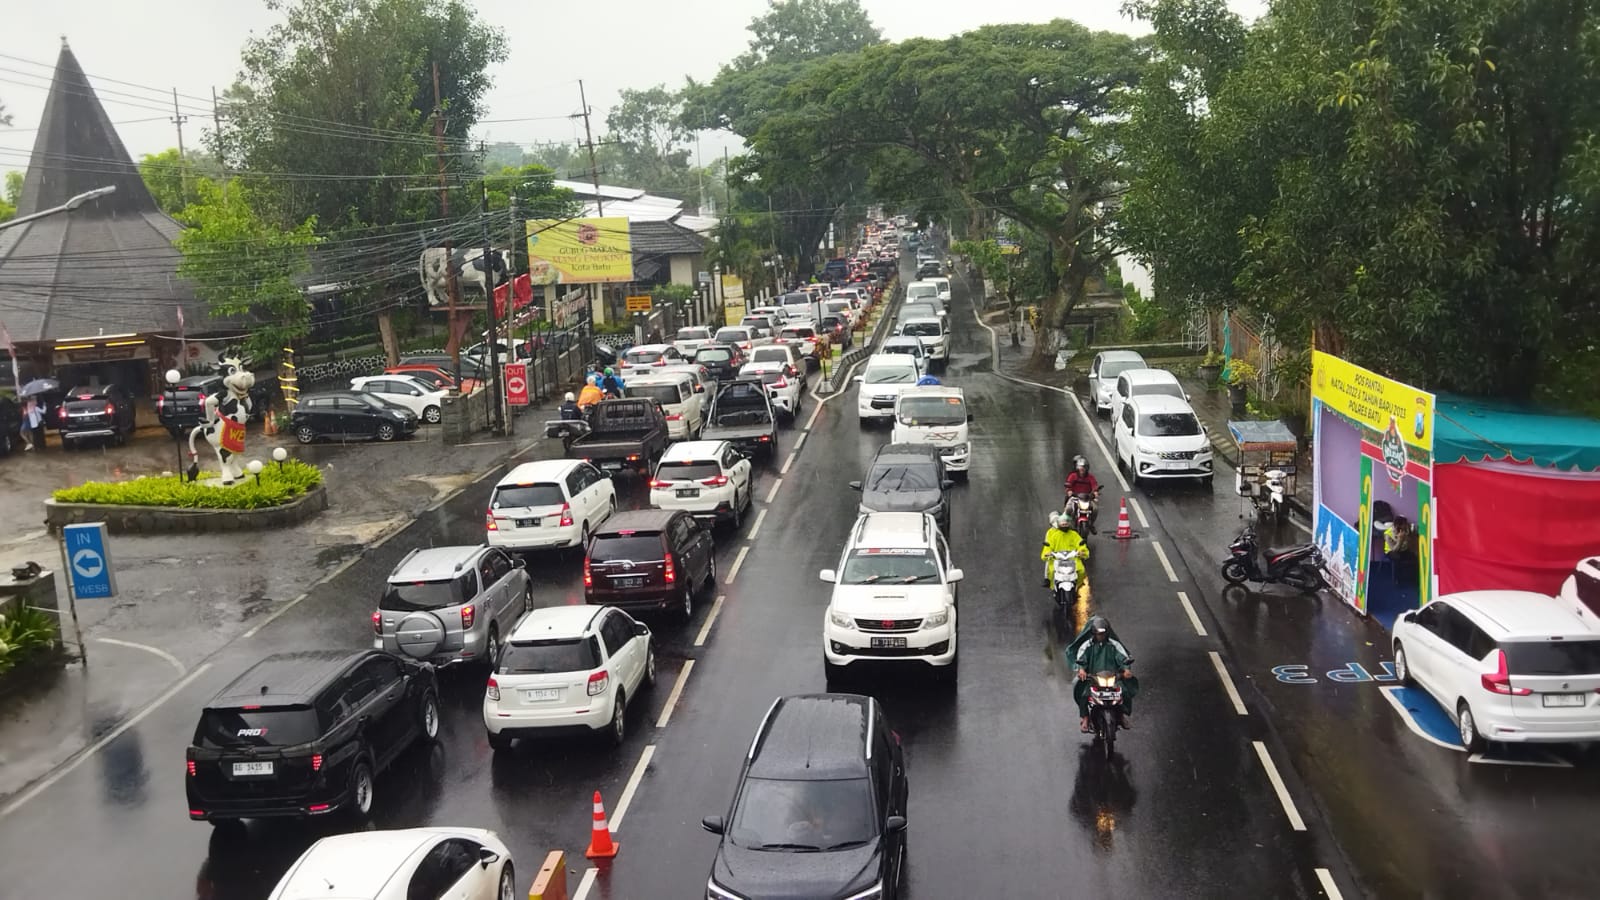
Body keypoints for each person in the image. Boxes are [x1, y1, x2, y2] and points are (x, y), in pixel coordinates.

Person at [1071, 615, 1137, 732]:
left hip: (1113, 679)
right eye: (1098, 634)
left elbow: (1123, 657)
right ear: (1094, 633)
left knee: (1124, 692)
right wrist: (1081, 670)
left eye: (1103, 634)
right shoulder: (1087, 646)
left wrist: (1126, 669)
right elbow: (1081, 659)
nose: (1101, 636)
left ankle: (1121, 715)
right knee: (1084, 695)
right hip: (1093, 679)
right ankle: (1085, 717)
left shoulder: (1114, 645)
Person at [1041, 512, 1090, 589]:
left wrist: (1082, 551)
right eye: (1062, 524)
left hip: (1072, 558)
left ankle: (1077, 586)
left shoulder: (1074, 534)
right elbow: (1048, 546)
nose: (1064, 525)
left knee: (1081, 570)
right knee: (1051, 571)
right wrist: (1048, 553)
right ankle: (1053, 586)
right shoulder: (1052, 535)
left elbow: (1080, 544)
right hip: (1057, 558)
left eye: (1065, 524)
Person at [1063, 455, 1101, 531]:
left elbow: (1094, 485)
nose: (1082, 470)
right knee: (1068, 509)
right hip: (1075, 497)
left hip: (1087, 498)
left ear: (1087, 468)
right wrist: (1069, 491)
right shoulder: (1073, 476)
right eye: (1080, 468)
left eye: (1084, 468)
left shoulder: (1090, 477)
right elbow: (1068, 484)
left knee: (1095, 509)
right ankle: (1065, 524)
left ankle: (1091, 524)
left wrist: (1095, 492)